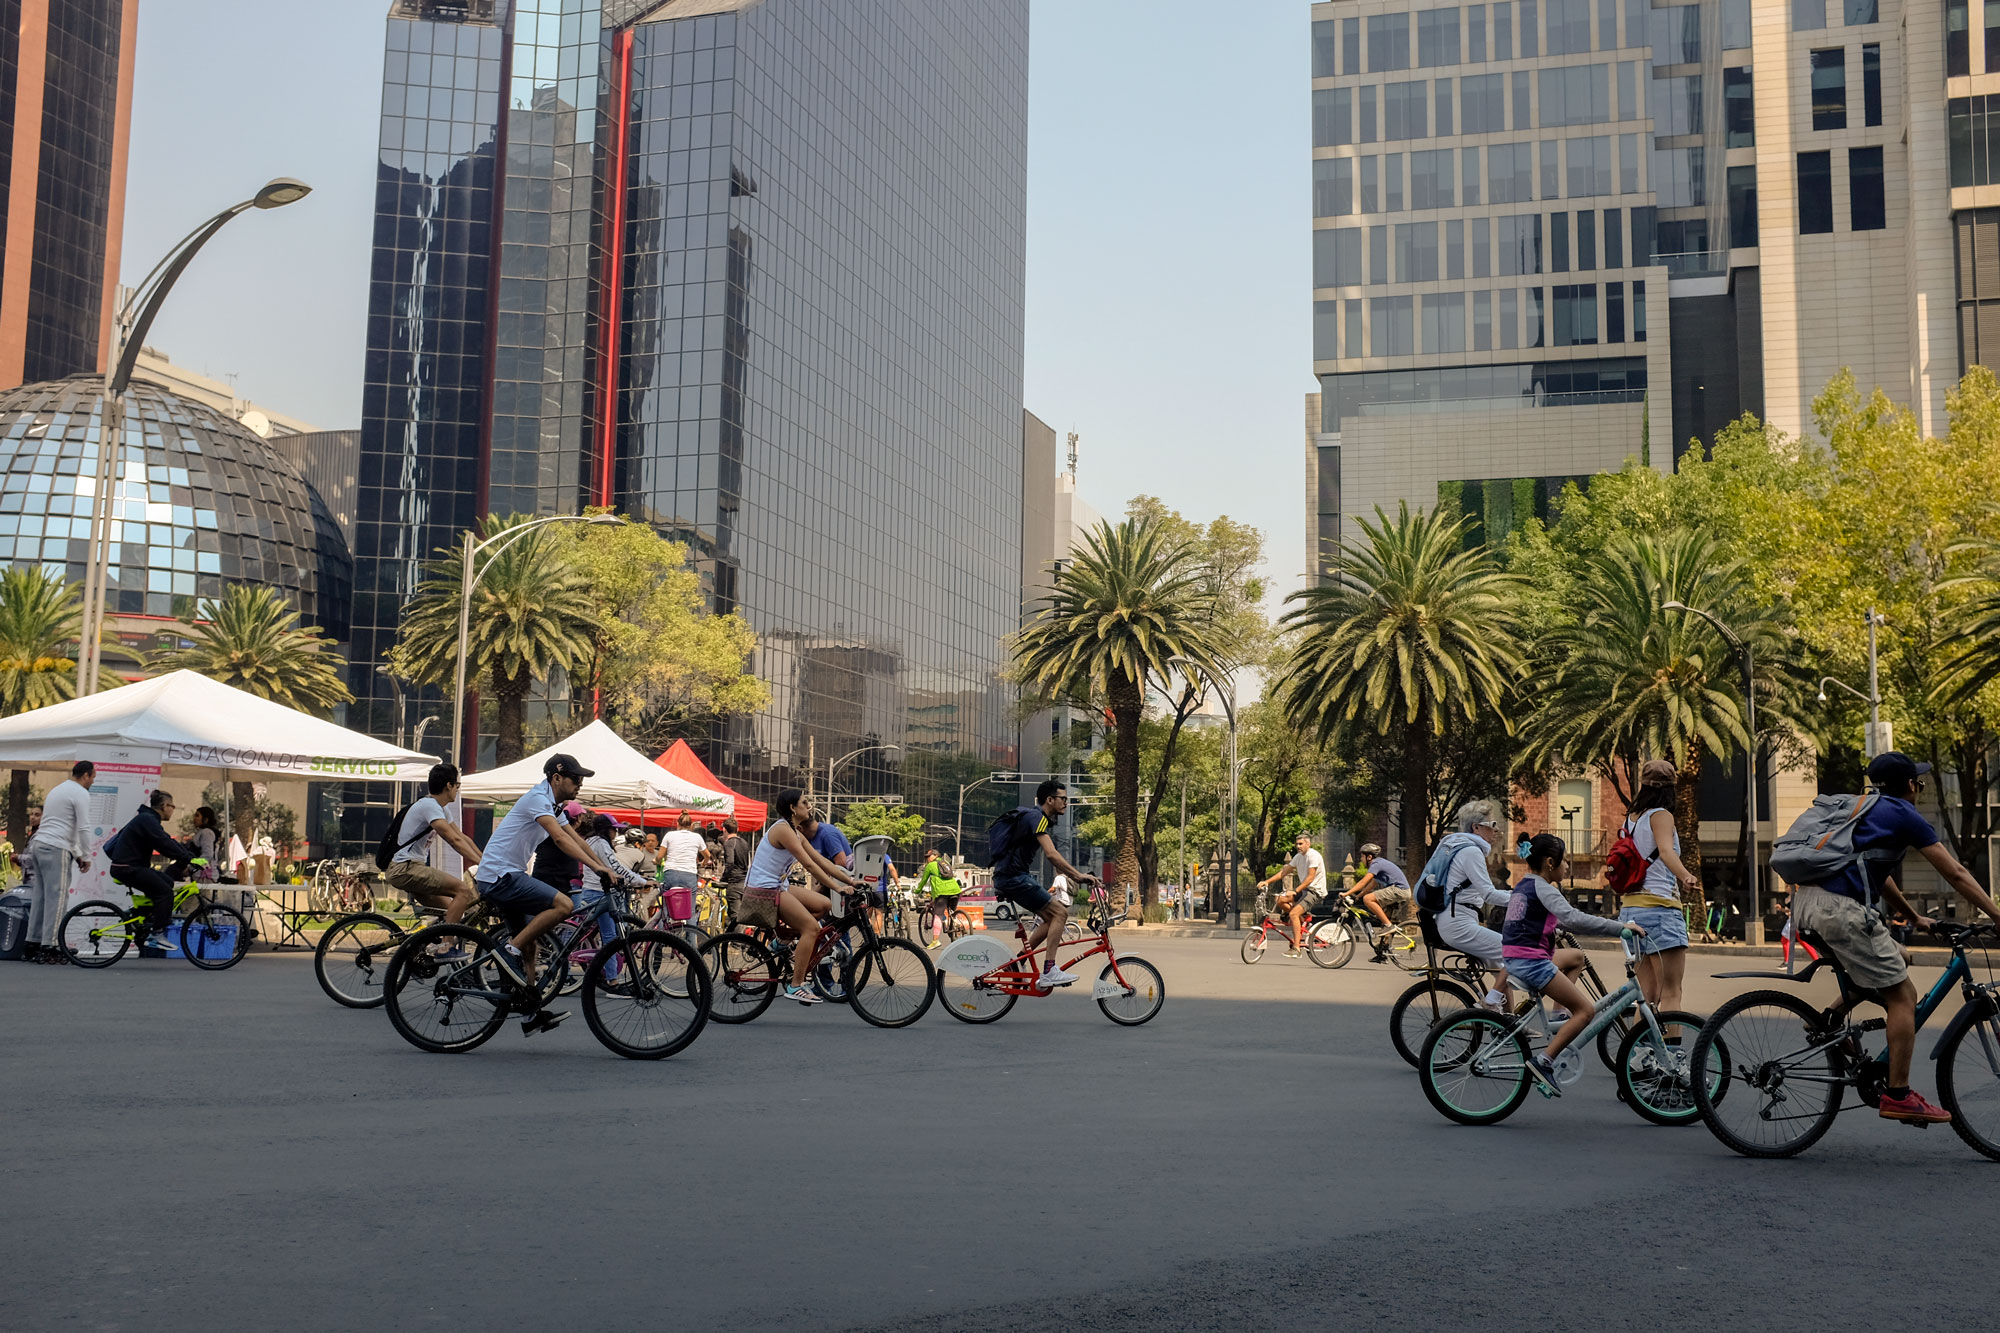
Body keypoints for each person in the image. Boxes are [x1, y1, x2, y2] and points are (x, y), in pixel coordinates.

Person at [1789, 751, 2000, 1125]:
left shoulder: (1865, 808)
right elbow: (1955, 873)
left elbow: (1876, 871)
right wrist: (1998, 915)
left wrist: (1913, 916)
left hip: (1807, 903)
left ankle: (1829, 1019)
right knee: (1904, 996)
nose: (1919, 788)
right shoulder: (1903, 814)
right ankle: (1898, 1094)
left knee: (1897, 957)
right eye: (1918, 782)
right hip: (1840, 910)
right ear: (1909, 786)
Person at [473, 753, 620, 1034]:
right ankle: (508, 949)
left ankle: (530, 1013)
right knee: (563, 905)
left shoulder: (554, 806)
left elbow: (578, 838)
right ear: (556, 778)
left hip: (507, 875)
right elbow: (561, 839)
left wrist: (602, 866)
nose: (580, 785)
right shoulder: (537, 799)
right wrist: (596, 868)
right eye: (575, 779)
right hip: (499, 876)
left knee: (532, 946)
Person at [1502, 833, 1644, 1094]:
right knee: (1586, 1011)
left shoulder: (1524, 885)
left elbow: (1526, 922)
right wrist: (1620, 927)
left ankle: (1559, 1016)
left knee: (1575, 958)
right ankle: (1544, 1061)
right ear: (1550, 863)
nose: (1567, 865)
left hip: (1518, 957)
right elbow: (1575, 918)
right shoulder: (1544, 888)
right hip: (1532, 962)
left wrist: (1550, 932)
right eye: (1564, 860)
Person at [740, 790, 862, 1004]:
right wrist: (837, 887)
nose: (809, 806)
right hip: (764, 889)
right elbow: (809, 865)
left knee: (823, 905)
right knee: (812, 929)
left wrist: (850, 881)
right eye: (805, 802)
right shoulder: (782, 830)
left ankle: (783, 939)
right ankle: (796, 985)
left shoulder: (796, 832)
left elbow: (822, 861)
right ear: (792, 808)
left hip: (779, 885)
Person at [990, 780, 1100, 989]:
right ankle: (1049, 970)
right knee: (1061, 913)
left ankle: (1018, 961)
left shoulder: (1037, 818)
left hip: (1013, 876)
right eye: (1063, 799)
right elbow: (1051, 854)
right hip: (1013, 877)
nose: (1066, 803)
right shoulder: (1036, 818)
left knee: (1052, 918)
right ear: (1050, 800)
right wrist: (1077, 876)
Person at [1615, 759, 1701, 1014]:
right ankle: (1672, 1052)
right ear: (1670, 787)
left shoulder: (1630, 820)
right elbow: (1665, 851)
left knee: (1647, 997)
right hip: (1659, 909)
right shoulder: (1661, 815)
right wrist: (1686, 876)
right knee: (1671, 993)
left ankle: (1640, 1053)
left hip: (1631, 912)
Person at [1433, 800, 1514, 1010]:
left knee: (1500, 965)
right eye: (1492, 823)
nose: (1495, 829)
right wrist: (1524, 898)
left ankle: (1510, 1020)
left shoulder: (1464, 848)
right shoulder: (1471, 852)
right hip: (1458, 924)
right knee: (1515, 952)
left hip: (1458, 920)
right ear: (1476, 827)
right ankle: (1490, 1002)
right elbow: (1489, 894)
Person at [384, 764, 480, 925]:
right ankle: (446, 946)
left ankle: (424, 944)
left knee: (452, 912)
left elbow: (462, 837)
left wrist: (486, 860)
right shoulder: (430, 806)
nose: (457, 790)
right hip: (405, 868)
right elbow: (453, 840)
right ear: (449, 785)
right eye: (457, 786)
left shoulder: (440, 808)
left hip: (410, 868)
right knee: (463, 891)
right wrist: (481, 863)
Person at [107, 790, 198, 945]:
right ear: (163, 805)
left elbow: (167, 841)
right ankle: (157, 933)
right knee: (165, 893)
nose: (173, 809)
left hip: (131, 866)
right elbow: (164, 843)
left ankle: (139, 916)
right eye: (172, 806)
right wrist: (189, 858)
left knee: (168, 882)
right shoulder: (147, 820)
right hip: (127, 868)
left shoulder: (149, 819)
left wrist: (189, 856)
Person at [25, 760, 94, 962]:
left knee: (41, 895)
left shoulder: (58, 789)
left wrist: (78, 853)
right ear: (86, 775)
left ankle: (32, 942)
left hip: (39, 844)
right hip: (57, 847)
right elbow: (82, 828)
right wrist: (86, 856)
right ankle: (51, 944)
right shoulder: (81, 793)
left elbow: (61, 825)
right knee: (58, 897)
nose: (92, 781)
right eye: (93, 777)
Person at [1254, 834, 1326, 956]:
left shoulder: (1313, 856)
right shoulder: (1298, 857)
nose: (1298, 846)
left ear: (1308, 844)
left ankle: (1296, 948)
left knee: (1293, 913)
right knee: (1280, 900)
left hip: (1315, 891)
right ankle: (1300, 919)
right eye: (1296, 844)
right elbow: (1284, 872)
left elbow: (1310, 878)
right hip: (1304, 890)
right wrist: (1267, 881)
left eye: (1301, 844)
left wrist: (1296, 890)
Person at [1351, 843, 1414, 940]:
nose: (1361, 859)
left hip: (1399, 890)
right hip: (1401, 891)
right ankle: (1384, 949)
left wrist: (1346, 893)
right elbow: (1372, 884)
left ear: (1369, 857)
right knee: (1384, 920)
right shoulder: (1379, 864)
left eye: (1362, 856)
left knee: (1368, 899)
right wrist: (1359, 895)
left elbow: (1363, 882)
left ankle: (1389, 925)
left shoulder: (1375, 864)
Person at [658, 812, 705, 918]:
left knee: (666, 908)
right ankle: (691, 933)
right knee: (690, 910)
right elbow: (707, 855)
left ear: (677, 824)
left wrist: (655, 861)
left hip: (671, 873)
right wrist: (703, 863)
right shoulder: (697, 837)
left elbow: (659, 856)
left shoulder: (669, 835)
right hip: (689, 874)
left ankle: (663, 933)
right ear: (691, 825)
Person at [917, 850, 961, 948]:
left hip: (942, 893)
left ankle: (935, 941)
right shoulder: (946, 863)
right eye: (926, 857)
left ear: (936, 856)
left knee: (938, 915)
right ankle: (957, 926)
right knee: (952, 911)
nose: (927, 858)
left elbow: (923, 880)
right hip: (956, 890)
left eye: (929, 856)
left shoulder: (930, 866)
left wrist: (917, 891)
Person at [716, 817, 750, 927]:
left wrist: (723, 878)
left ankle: (738, 942)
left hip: (734, 883)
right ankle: (741, 940)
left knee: (735, 916)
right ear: (738, 829)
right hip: (744, 882)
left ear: (724, 830)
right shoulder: (744, 842)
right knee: (743, 915)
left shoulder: (729, 843)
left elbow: (730, 863)